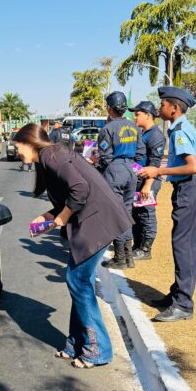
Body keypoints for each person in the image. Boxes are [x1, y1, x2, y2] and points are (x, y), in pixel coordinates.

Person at [14, 123, 132, 369]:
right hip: (94, 223)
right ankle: (77, 343)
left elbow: (80, 189)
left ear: (29, 142)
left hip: (97, 223)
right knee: (78, 281)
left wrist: (62, 218)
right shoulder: (50, 157)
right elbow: (68, 195)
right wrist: (48, 217)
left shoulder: (52, 156)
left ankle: (97, 349)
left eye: (17, 145)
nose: (16, 151)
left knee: (78, 281)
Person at [139, 86, 196, 323]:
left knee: (184, 246)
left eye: (163, 104)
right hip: (187, 189)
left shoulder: (179, 131)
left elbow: (192, 166)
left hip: (189, 187)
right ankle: (177, 294)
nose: (160, 108)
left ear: (174, 108)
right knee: (182, 244)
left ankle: (183, 304)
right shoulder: (180, 127)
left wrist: (158, 170)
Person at [94, 91, 145, 269]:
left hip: (115, 171)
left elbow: (105, 157)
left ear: (109, 108)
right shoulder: (134, 127)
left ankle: (120, 258)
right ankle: (129, 256)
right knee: (127, 213)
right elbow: (140, 153)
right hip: (131, 171)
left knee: (116, 215)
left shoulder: (107, 129)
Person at [128, 101, 165, 260]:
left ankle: (146, 249)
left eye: (137, 114)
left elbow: (154, 163)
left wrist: (148, 186)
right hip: (139, 180)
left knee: (147, 213)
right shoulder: (144, 133)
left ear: (148, 115)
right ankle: (137, 246)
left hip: (148, 181)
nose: (135, 117)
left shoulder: (156, 135)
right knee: (137, 214)